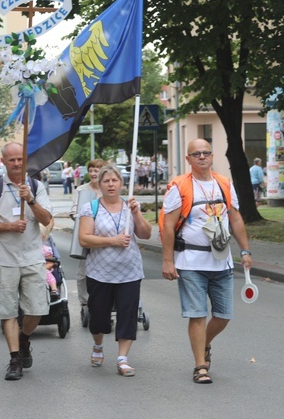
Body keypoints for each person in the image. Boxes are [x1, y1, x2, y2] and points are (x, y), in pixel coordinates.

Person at [161, 139, 253, 384]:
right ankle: (200, 366)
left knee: (223, 315)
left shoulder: (224, 184)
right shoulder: (179, 187)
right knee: (198, 314)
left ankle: (205, 345)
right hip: (190, 261)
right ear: (189, 159)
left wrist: (245, 251)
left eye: (206, 153)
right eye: (196, 154)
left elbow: (235, 219)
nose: (202, 157)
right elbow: (168, 226)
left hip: (221, 261)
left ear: (212, 156)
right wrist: (168, 261)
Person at [0, 142, 53, 381]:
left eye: (20, 159)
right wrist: (9, 226)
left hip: (32, 258)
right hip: (4, 260)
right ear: (3, 162)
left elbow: (46, 219)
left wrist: (30, 200)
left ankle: (24, 338)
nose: (17, 163)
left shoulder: (36, 186)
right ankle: (14, 359)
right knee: (8, 312)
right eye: (11, 160)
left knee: (37, 309)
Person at [78, 165, 152, 377]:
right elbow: (84, 238)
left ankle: (122, 358)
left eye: (114, 180)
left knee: (128, 315)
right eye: (106, 181)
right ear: (99, 185)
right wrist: (113, 240)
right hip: (100, 272)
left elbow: (146, 234)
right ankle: (98, 345)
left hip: (129, 272)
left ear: (121, 183)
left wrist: (137, 214)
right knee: (99, 316)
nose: (111, 185)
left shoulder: (130, 207)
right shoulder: (90, 207)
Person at [70, 159, 106, 317]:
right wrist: (76, 215)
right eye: (91, 170)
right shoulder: (81, 190)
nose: (93, 173)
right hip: (86, 235)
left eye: (96, 170)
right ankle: (85, 301)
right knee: (83, 272)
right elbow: (74, 210)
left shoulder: (107, 188)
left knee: (106, 270)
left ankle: (106, 300)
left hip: (105, 236)